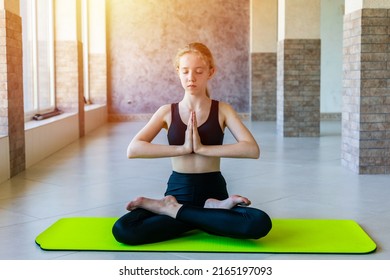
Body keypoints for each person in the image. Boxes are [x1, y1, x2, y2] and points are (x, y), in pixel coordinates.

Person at [112, 42, 272, 245]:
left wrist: (203, 149)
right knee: (124, 229)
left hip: (213, 189)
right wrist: (183, 149)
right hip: (179, 191)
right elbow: (133, 149)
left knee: (259, 223)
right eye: (185, 71)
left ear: (210, 72)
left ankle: (172, 210)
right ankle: (209, 213)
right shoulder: (166, 112)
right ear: (178, 72)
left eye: (198, 71)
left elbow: (251, 149)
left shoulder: (223, 110)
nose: (191, 78)